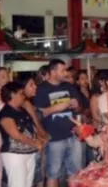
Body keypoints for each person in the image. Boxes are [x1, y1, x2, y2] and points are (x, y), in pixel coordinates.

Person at [33, 59, 83, 187]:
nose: (65, 73)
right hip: (54, 138)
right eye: (63, 70)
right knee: (53, 173)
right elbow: (37, 114)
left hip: (73, 135)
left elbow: (79, 109)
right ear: (53, 71)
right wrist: (55, 108)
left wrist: (76, 105)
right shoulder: (41, 89)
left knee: (76, 172)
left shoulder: (68, 86)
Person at [0, 81, 43, 187]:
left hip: (29, 152)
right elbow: (16, 135)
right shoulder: (6, 113)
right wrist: (35, 143)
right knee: (17, 184)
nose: (24, 96)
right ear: (13, 95)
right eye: (21, 93)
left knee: (27, 184)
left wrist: (39, 140)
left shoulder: (22, 110)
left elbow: (32, 128)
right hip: (14, 155)